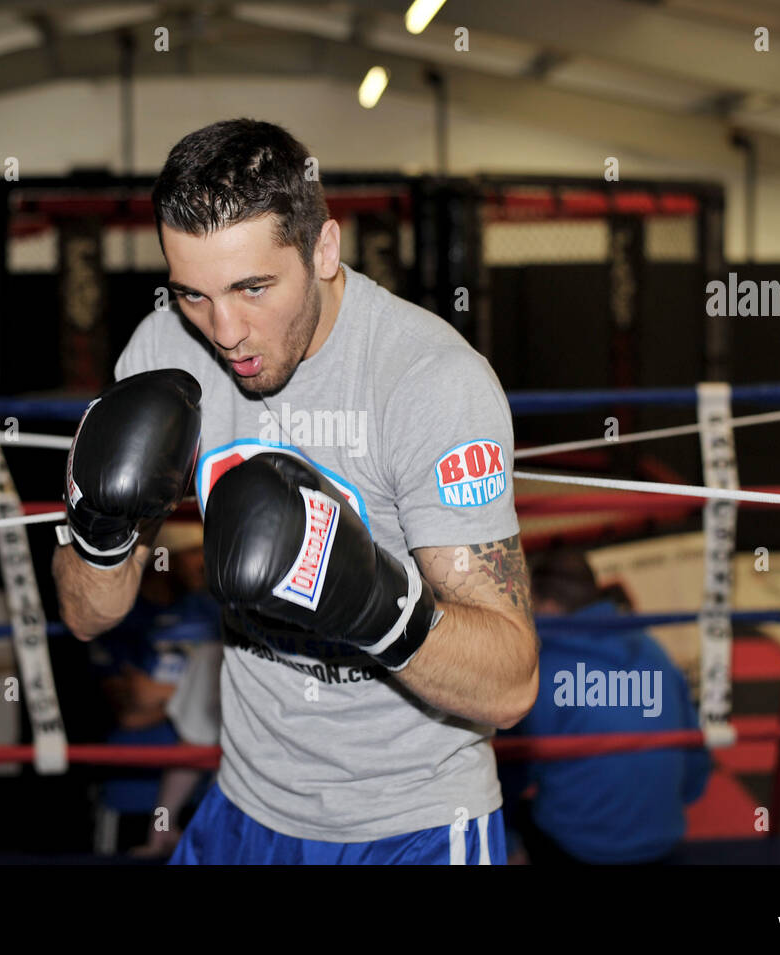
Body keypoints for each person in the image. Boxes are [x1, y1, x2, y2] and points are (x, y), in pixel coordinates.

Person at [54, 118, 539, 865]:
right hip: (245, 805)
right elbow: (91, 614)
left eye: (253, 288)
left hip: (409, 823)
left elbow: (510, 682)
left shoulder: (428, 382)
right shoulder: (163, 351)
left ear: (324, 248)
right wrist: (101, 528)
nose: (225, 330)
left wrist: (370, 600)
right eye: (193, 293)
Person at [499, 547, 711, 864]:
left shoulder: (543, 670)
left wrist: (507, 841)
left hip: (583, 850)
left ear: (549, 605)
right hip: (665, 842)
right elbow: (696, 763)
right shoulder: (653, 648)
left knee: (494, 788)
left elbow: (511, 776)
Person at [92, 523, 221, 858]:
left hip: (204, 792)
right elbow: (130, 712)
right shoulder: (124, 616)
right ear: (166, 555)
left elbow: (230, 703)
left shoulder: (215, 613)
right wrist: (198, 697)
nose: (203, 561)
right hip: (136, 786)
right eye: (193, 551)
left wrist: (165, 695)